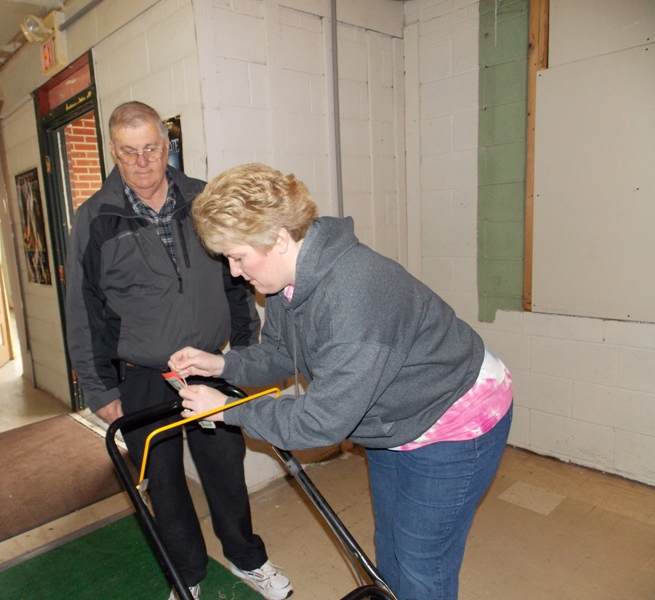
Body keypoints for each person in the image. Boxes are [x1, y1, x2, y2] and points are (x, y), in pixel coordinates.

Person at [169, 163, 514, 600]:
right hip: (394, 417)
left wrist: (227, 410)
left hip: (455, 417)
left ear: (279, 239)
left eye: (238, 257)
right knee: (390, 544)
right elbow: (281, 353)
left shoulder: (354, 294)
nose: (235, 272)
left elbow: (323, 421)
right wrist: (221, 366)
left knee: (421, 561)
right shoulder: (286, 283)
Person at [65, 104, 292, 600]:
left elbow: (235, 281)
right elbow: (83, 310)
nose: (142, 162)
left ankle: (246, 558)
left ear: (166, 146)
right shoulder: (95, 218)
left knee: (226, 467)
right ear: (114, 152)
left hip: (208, 363)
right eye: (129, 152)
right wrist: (99, 389)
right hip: (141, 375)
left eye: (151, 148)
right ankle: (186, 573)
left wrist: (246, 352)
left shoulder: (202, 199)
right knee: (163, 482)